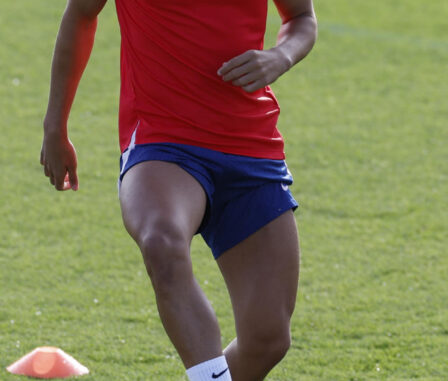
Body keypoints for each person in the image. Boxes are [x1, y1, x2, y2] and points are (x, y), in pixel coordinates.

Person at [40, 0, 317, 380]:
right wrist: (55, 127)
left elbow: (301, 18)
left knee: (268, 338)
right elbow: (81, 14)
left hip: (251, 146)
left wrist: (280, 56)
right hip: (163, 140)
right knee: (161, 239)